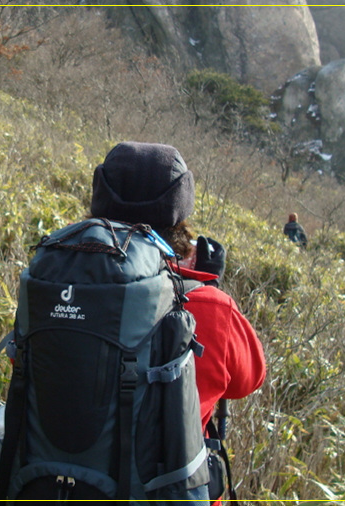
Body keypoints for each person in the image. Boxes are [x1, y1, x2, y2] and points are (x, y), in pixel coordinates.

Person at [90, 142, 266, 495]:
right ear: (180, 213)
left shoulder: (52, 279)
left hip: (57, 486)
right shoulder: (212, 308)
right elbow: (248, 379)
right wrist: (208, 285)